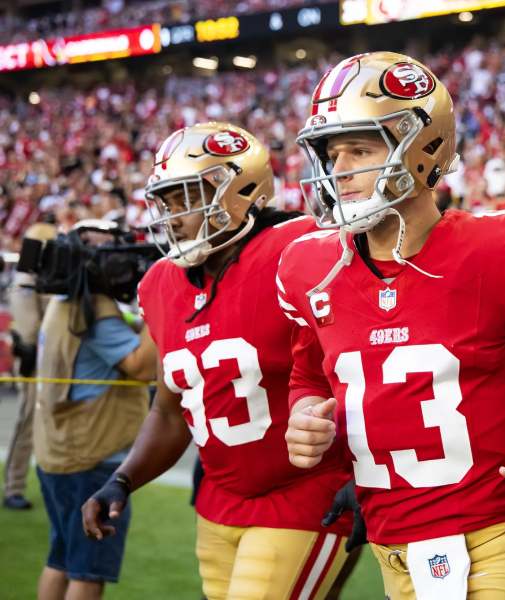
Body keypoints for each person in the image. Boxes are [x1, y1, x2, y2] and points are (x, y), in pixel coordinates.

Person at [279, 52, 505, 599]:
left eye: (360, 150)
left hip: (494, 543)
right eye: (330, 153)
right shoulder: (307, 266)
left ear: (424, 148)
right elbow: (309, 377)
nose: (338, 170)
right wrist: (304, 414)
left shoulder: (501, 249)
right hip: (391, 550)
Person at [81, 123, 355, 600]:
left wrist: (371, 474)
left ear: (240, 191)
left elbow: (364, 364)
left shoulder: (301, 249)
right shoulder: (161, 283)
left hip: (306, 491)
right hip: (218, 503)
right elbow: (170, 410)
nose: (172, 217)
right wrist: (123, 479)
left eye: (185, 199)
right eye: (165, 203)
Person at [33, 219, 156, 600]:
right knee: (87, 571)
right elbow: (142, 367)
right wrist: (163, 303)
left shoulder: (63, 301)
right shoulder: (94, 310)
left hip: (58, 451)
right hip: (92, 457)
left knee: (61, 559)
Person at [3, 220, 56, 510]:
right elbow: (29, 330)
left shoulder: (38, 275)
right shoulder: (27, 278)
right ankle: (13, 486)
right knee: (27, 424)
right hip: (34, 361)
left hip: (47, 360)